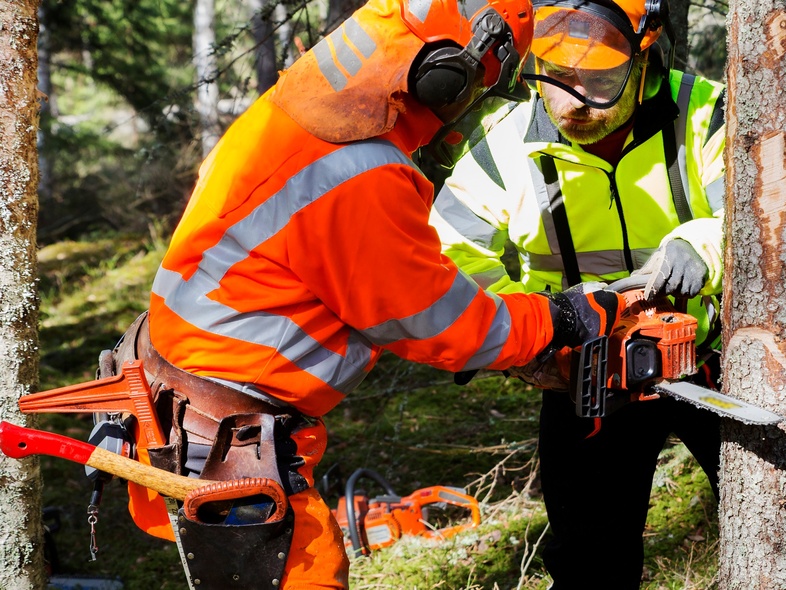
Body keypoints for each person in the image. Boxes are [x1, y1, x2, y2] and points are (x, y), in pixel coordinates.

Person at [96, 0, 626, 588]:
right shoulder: (357, 170)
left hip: (184, 399)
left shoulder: (302, 115)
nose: (475, 102)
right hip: (224, 438)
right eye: (482, 82)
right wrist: (557, 320)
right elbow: (434, 322)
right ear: (449, 69)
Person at [428, 0, 726, 587]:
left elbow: (766, 206)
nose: (573, 103)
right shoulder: (503, 146)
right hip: (586, 373)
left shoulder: (708, 114)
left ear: (645, 59)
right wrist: (535, 333)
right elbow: (447, 258)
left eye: (600, 81)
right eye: (557, 77)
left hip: (713, 354)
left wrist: (703, 243)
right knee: (590, 559)